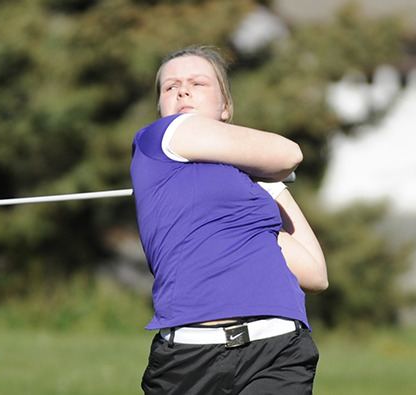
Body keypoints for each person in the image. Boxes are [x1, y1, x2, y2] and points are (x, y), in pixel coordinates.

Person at [130, 45, 328, 395]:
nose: (182, 90)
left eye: (197, 83)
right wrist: (265, 168)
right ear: (161, 107)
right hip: (189, 359)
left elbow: (314, 274)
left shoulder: (249, 195)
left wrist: (272, 186)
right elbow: (288, 153)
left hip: (277, 350)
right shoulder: (158, 138)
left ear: (226, 107)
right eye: (169, 85)